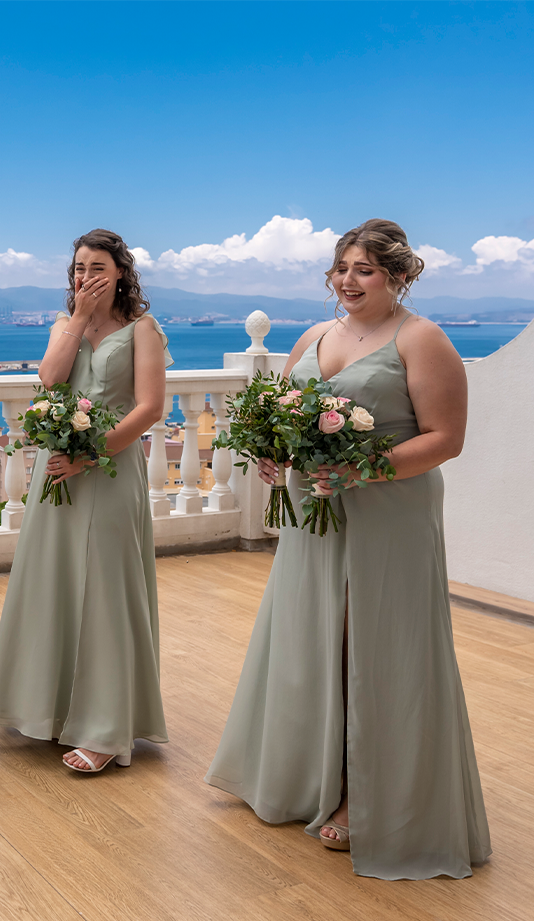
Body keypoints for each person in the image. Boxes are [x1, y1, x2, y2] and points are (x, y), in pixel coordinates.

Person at [205, 218, 491, 880]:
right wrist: (276, 455)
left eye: (364, 269)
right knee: (314, 640)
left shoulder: (423, 340)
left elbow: (446, 438)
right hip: (313, 515)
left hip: (388, 513)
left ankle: (373, 798)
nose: (348, 280)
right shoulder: (314, 336)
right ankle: (311, 779)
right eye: (341, 268)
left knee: (378, 648)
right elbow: (281, 415)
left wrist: (365, 471)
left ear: (398, 275)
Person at [0, 228, 169, 772]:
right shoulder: (65, 324)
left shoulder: (143, 330)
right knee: (54, 578)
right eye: (80, 268)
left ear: (121, 274)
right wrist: (80, 320)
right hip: (56, 470)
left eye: (98, 268)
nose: (87, 277)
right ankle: (52, 711)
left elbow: (149, 408)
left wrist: (92, 456)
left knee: (108, 588)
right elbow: (49, 378)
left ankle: (107, 728)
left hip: (108, 468)